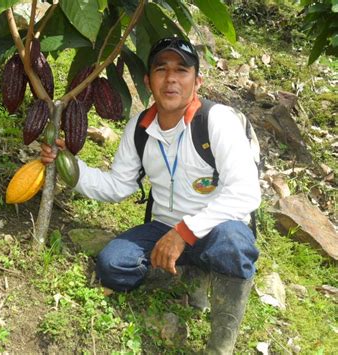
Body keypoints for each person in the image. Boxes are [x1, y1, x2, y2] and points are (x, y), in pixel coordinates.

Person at [41, 37, 261, 354]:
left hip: (217, 228)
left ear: (197, 80)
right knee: (114, 264)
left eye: (182, 70)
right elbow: (118, 185)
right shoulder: (140, 129)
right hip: (164, 227)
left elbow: (245, 192)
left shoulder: (217, 122)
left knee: (234, 245)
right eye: (161, 69)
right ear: (148, 81)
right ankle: (187, 274)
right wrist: (69, 166)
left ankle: (220, 346)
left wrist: (184, 233)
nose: (171, 79)